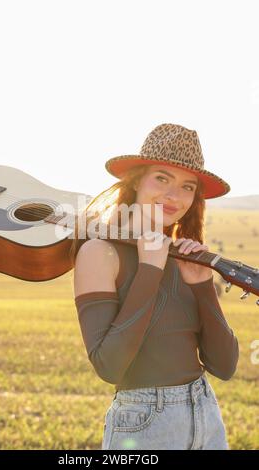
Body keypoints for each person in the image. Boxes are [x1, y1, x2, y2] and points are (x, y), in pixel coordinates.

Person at [70, 123, 239, 450]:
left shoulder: (185, 257)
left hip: (206, 414)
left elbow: (224, 365)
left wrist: (203, 286)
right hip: (146, 424)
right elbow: (109, 365)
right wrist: (149, 268)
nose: (175, 196)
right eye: (162, 178)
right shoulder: (99, 252)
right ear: (136, 180)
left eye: (188, 186)